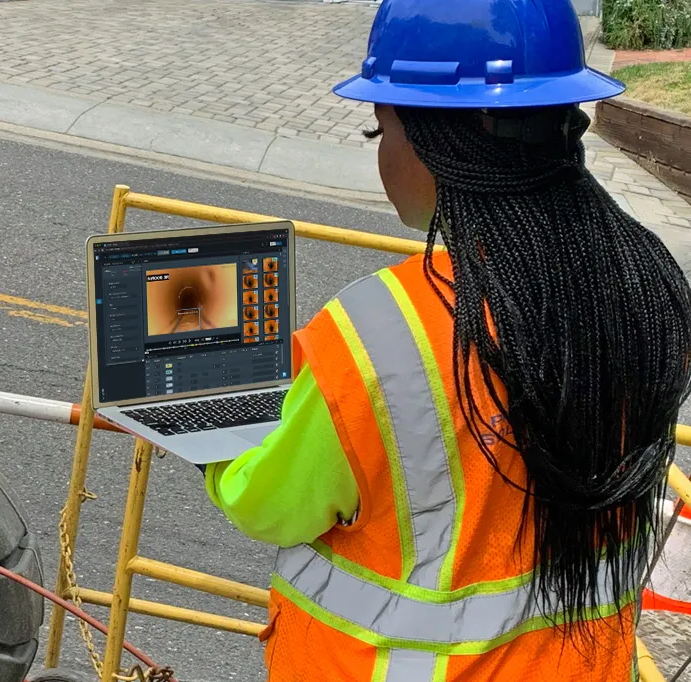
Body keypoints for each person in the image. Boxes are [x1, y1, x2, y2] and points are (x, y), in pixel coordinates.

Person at [202, 0, 691, 679]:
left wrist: (209, 439)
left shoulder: (378, 337)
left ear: (448, 139)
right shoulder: (642, 286)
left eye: (382, 132)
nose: (384, 155)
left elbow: (267, 502)